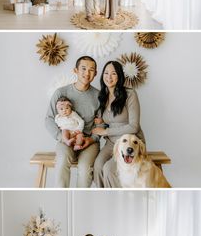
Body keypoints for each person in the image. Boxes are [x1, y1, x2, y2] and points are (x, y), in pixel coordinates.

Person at [45, 56, 99, 188]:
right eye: (83, 68)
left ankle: (80, 202)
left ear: (95, 73)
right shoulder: (61, 93)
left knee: (85, 169)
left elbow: (101, 124)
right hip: (66, 139)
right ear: (75, 70)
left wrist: (92, 139)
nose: (87, 73)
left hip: (88, 142)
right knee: (62, 161)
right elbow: (49, 119)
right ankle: (61, 198)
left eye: (91, 70)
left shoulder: (99, 96)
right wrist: (61, 137)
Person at [93, 61, 145, 188]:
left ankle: (117, 198)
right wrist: (102, 124)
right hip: (111, 143)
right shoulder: (102, 96)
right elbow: (109, 122)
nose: (109, 77)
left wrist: (106, 132)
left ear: (119, 76)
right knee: (98, 167)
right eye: (106, 73)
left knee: (109, 169)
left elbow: (134, 127)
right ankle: (103, 197)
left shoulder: (130, 94)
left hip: (129, 142)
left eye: (113, 73)